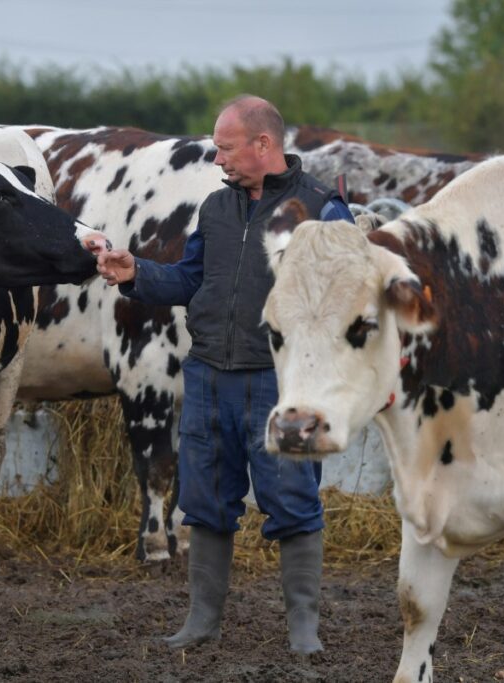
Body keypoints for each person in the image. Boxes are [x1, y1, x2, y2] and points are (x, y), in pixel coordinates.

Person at [86, 95, 353, 654]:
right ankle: (202, 621)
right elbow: (189, 281)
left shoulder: (322, 209)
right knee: (204, 503)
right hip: (207, 378)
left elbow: (350, 299)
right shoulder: (215, 209)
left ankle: (304, 629)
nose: (217, 159)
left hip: (281, 387)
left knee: (293, 501)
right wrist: (137, 272)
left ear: (264, 144)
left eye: (227, 148)